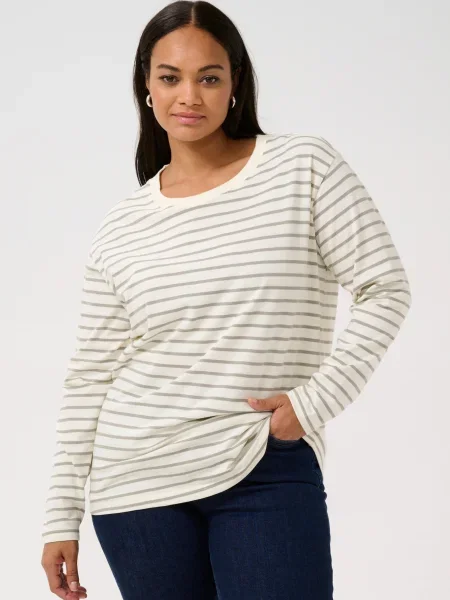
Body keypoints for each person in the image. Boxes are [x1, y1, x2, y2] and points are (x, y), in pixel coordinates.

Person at [40, 1, 412, 599]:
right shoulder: (122, 225)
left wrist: (312, 403)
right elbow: (91, 374)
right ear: (146, 87)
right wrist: (61, 516)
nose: (189, 96)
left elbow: (384, 287)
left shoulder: (302, 166)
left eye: (208, 77)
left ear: (235, 83)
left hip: (262, 462)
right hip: (135, 484)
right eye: (170, 77)